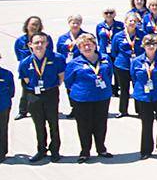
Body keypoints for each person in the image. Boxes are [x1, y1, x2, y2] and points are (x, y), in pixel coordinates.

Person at [64, 33, 113, 162]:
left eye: (89, 44)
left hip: (102, 97)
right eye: (83, 45)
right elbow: (68, 81)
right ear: (79, 48)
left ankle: (101, 148)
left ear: (95, 45)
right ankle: (85, 151)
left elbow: (109, 74)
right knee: (84, 125)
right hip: (82, 99)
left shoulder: (105, 58)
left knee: (101, 124)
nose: (87, 47)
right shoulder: (74, 63)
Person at [18, 33, 63, 162]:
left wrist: (51, 87)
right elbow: (26, 80)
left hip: (51, 93)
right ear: (30, 45)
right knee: (38, 123)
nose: (39, 45)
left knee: (53, 123)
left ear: (47, 44)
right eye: (36, 42)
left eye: (42, 42)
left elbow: (61, 76)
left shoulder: (56, 58)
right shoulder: (25, 62)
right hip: (34, 95)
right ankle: (41, 150)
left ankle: (55, 150)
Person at [130, 34, 157, 159]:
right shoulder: (137, 61)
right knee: (146, 123)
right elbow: (134, 77)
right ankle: (146, 150)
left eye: (153, 44)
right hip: (144, 96)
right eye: (148, 44)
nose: (151, 46)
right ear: (143, 45)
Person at [13, 16, 50, 120]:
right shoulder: (20, 41)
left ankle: (44, 109)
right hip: (28, 69)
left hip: (42, 68)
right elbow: (19, 56)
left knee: (46, 90)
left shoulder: (46, 38)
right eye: (33, 24)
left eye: (37, 24)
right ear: (27, 25)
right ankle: (23, 110)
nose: (35, 27)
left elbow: (49, 52)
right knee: (26, 91)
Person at [109, 13, 142, 117]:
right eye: (130, 21)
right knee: (124, 89)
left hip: (138, 66)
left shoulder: (142, 34)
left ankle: (140, 110)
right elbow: (114, 51)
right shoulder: (118, 36)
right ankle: (123, 110)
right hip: (122, 65)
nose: (132, 23)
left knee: (138, 87)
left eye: (134, 21)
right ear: (125, 22)